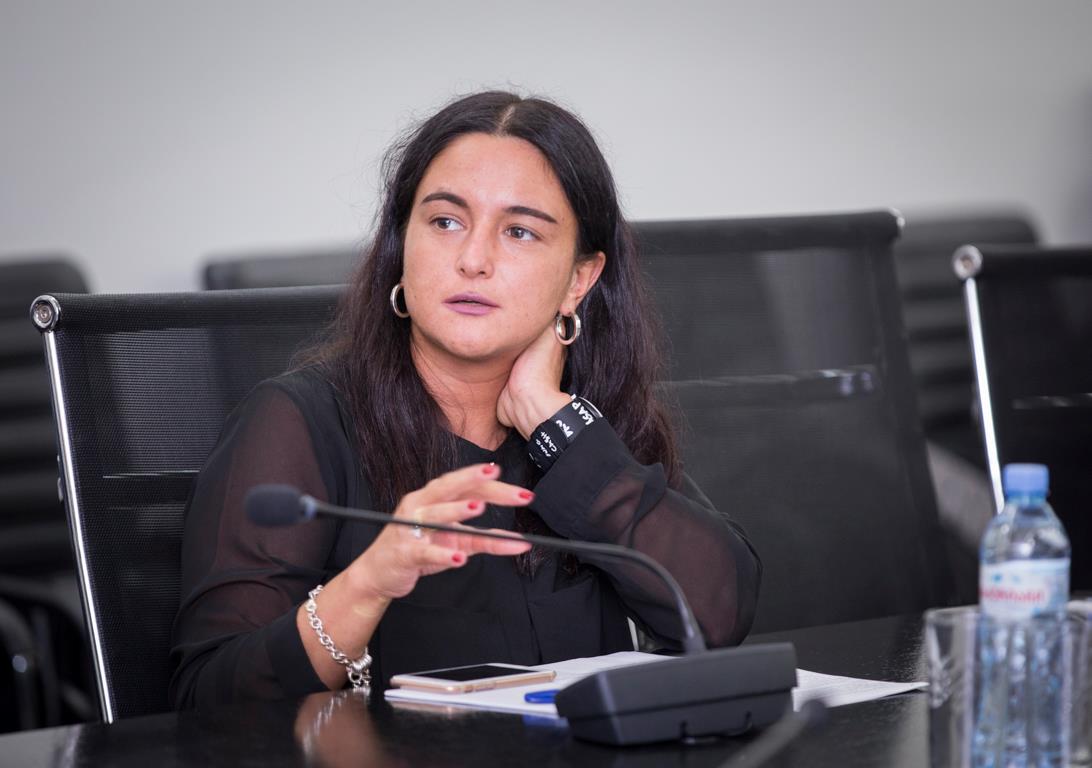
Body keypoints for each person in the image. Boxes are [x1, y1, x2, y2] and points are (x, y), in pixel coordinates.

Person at [169, 91, 761, 708]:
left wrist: (556, 425)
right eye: (445, 222)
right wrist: (368, 584)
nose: (473, 260)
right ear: (401, 247)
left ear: (579, 279)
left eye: (520, 231)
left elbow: (719, 615)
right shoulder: (298, 423)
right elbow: (208, 696)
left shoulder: (586, 420)